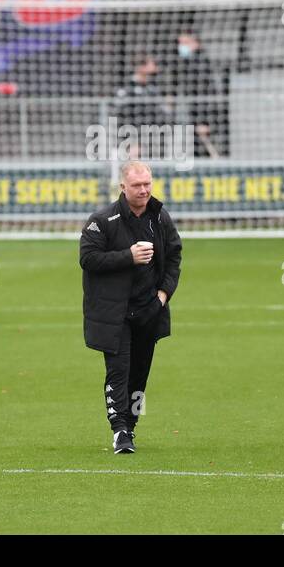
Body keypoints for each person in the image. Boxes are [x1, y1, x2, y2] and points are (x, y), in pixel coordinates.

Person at [79, 160, 182, 454]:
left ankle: (131, 426)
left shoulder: (160, 218)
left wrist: (163, 295)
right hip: (114, 313)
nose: (144, 190)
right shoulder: (102, 220)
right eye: (137, 185)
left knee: (139, 374)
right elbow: (88, 259)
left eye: (147, 183)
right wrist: (128, 256)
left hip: (149, 310)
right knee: (118, 371)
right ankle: (119, 430)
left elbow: (174, 256)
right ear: (122, 187)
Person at [169, 31, 223, 158]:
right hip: (194, 116)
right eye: (180, 43)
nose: (181, 46)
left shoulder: (201, 65)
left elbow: (206, 94)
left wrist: (204, 121)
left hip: (203, 117)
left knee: (206, 152)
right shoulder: (187, 63)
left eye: (185, 43)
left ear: (196, 44)